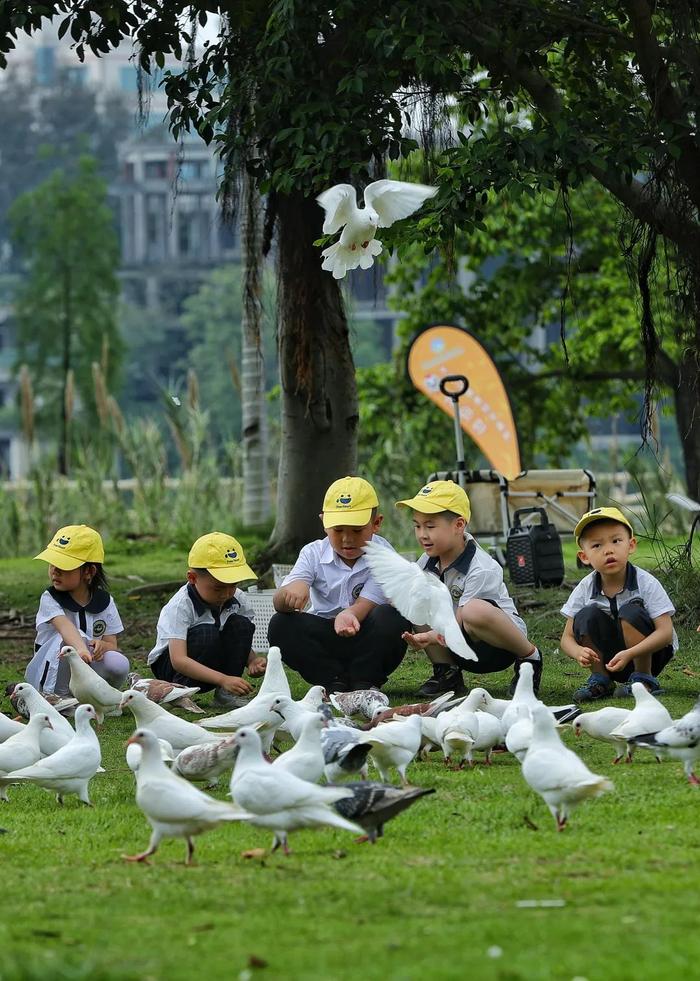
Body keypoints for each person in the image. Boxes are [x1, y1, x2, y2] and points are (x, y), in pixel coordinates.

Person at [396, 480, 541, 697]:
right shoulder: (427, 560)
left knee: (474, 610)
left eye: (430, 526)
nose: (422, 534)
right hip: (455, 644)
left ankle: (530, 658)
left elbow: (464, 618)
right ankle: (447, 673)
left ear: (459, 525)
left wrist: (432, 636)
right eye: (417, 525)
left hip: (495, 646)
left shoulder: (482, 567)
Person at [268, 476, 410, 692]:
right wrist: (289, 594)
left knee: (391, 617)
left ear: (376, 524)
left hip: (367, 636)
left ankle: (365, 679)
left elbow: (366, 603)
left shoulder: (385, 556)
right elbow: (279, 602)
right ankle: (331, 680)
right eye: (338, 530)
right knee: (280, 624)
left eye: (356, 530)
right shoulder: (312, 552)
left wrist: (349, 614)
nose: (347, 539)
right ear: (324, 523)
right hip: (325, 635)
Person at [560, 506, 676, 702]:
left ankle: (644, 679)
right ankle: (600, 679)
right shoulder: (585, 587)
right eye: (597, 545)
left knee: (631, 611)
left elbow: (665, 634)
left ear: (631, 545)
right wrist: (578, 651)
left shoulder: (645, 583)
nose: (608, 550)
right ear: (584, 557)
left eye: (616, 541)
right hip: (610, 659)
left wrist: (630, 653)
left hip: (648, 654)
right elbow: (566, 638)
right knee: (586, 614)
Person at [148, 532, 267, 710]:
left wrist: (252, 661)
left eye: (233, 585)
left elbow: (236, 638)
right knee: (206, 632)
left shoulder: (238, 599)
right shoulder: (180, 606)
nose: (227, 593)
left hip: (211, 661)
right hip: (173, 668)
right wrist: (222, 679)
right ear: (193, 578)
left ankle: (226, 696)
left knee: (241, 625)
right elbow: (178, 660)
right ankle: (179, 694)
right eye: (218, 587)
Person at [26, 524, 130, 696]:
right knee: (67, 641)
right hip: (52, 672)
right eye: (53, 563)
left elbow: (112, 644)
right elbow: (66, 628)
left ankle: (104, 697)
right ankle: (60, 697)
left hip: (87, 668)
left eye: (64, 565)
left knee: (119, 663)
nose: (55, 571)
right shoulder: (49, 598)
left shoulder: (105, 602)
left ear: (89, 571)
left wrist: (102, 646)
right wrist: (81, 649)